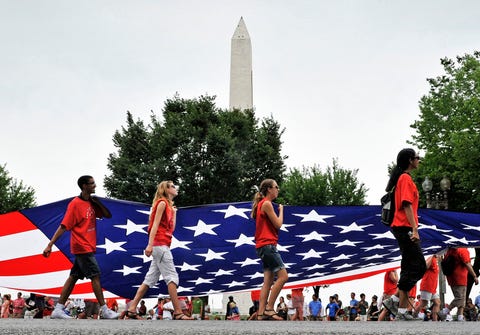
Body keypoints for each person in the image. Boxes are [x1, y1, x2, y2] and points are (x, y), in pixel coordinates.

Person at [42, 175, 119, 320]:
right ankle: (105, 310)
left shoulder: (91, 202)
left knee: (73, 277)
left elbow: (107, 215)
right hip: (81, 245)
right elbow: (64, 226)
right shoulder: (75, 204)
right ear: (84, 186)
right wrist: (50, 245)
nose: (95, 185)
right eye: (92, 183)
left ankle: (58, 309)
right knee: (95, 275)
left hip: (88, 245)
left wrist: (98, 203)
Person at [125, 181, 193, 321]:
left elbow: (171, 228)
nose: (176, 188)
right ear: (166, 189)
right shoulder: (161, 203)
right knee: (172, 278)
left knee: (149, 279)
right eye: (173, 186)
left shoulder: (168, 206)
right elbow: (154, 225)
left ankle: (132, 308)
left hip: (163, 245)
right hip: (159, 245)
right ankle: (178, 312)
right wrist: (149, 245)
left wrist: (173, 213)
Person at [383, 149, 427, 321]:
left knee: (409, 266)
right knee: (419, 266)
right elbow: (407, 205)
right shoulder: (405, 178)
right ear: (410, 160)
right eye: (417, 158)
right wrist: (415, 229)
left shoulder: (402, 178)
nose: (419, 160)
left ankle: (401, 311)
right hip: (404, 227)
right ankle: (394, 300)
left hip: (401, 227)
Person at [251, 179, 288, 321]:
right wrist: (281, 210)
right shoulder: (267, 204)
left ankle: (260, 314)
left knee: (268, 281)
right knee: (284, 276)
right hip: (268, 246)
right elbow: (278, 224)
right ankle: (269, 308)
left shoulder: (262, 204)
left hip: (262, 247)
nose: (278, 189)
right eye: (276, 187)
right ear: (269, 190)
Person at [442, 247, 478, 321]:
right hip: (460, 278)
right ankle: (445, 311)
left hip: (451, 278)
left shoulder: (450, 250)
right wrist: (474, 276)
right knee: (460, 298)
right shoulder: (463, 250)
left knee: (462, 298)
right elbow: (467, 264)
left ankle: (460, 316)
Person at [414, 255, 441, 321]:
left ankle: (435, 320)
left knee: (437, 303)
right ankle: (413, 316)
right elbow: (425, 266)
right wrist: (432, 257)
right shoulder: (431, 258)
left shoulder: (437, 261)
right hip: (427, 285)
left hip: (433, 287)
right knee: (424, 303)